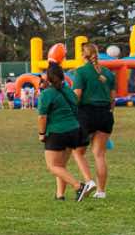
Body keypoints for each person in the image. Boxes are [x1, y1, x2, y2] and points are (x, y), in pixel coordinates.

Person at [36, 62, 95, 201]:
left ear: (48, 78)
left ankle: (79, 186)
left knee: (53, 166)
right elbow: (75, 102)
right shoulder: (67, 90)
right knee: (61, 165)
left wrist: (41, 134)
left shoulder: (46, 94)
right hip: (73, 130)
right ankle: (60, 195)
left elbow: (42, 117)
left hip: (57, 132)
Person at [70, 46, 115, 198]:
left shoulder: (81, 72)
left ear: (84, 55)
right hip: (106, 114)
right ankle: (101, 191)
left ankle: (89, 181)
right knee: (99, 154)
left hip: (86, 114)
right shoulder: (108, 73)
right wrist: (109, 112)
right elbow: (112, 99)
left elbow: (77, 95)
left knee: (77, 151)